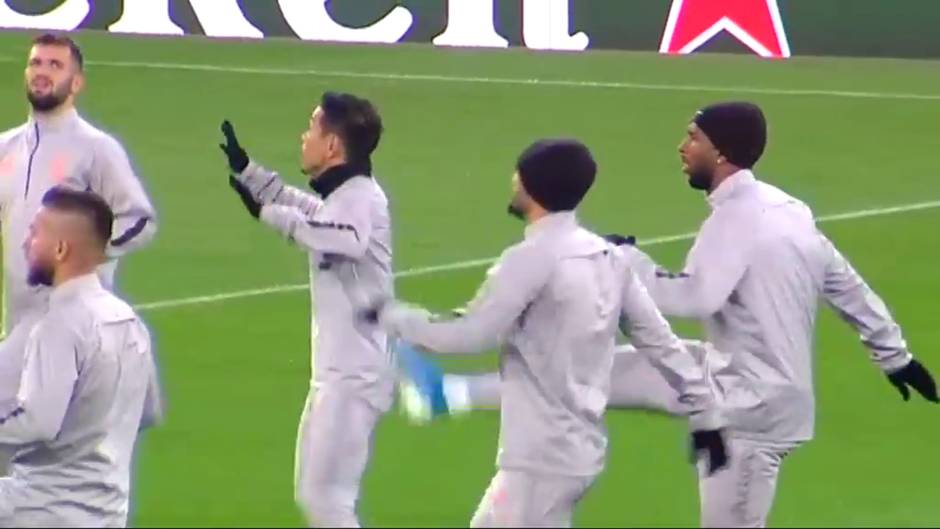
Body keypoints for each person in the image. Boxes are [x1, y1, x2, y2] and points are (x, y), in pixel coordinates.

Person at [403, 102, 939, 528]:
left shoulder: (736, 222)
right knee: (596, 367)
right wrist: (895, 356)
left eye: (693, 138)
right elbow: (845, 282)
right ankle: (451, 394)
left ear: (722, 152)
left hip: (751, 409)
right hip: (732, 375)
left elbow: (693, 300)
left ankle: (453, 394)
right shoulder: (788, 210)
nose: (682, 148)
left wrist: (628, 262)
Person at [365, 139, 727, 528]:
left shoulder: (532, 259)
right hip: (575, 452)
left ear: (530, 183)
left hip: (540, 459)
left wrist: (395, 317)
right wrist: (707, 413)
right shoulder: (608, 258)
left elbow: (472, 333)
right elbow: (660, 342)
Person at [220, 92, 395, 527]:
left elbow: (342, 238)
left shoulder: (360, 200)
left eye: (312, 127)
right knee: (316, 495)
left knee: (327, 502)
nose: (304, 136)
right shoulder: (348, 195)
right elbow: (313, 212)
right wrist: (252, 174)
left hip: (353, 377)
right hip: (340, 372)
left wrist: (268, 214)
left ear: (332, 145)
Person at [0, 187, 161, 527]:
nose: (25, 243)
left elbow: (37, 422)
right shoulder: (131, 323)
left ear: (61, 249)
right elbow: (148, 412)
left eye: (35, 233)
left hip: (41, 509)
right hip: (108, 512)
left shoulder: (57, 326)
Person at [0, 32, 157, 334]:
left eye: (56, 65)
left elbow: (139, 220)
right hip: (18, 324)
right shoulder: (5, 148)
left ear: (76, 83)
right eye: (36, 63)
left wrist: (86, 251)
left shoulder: (96, 148)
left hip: (79, 327)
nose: (42, 72)